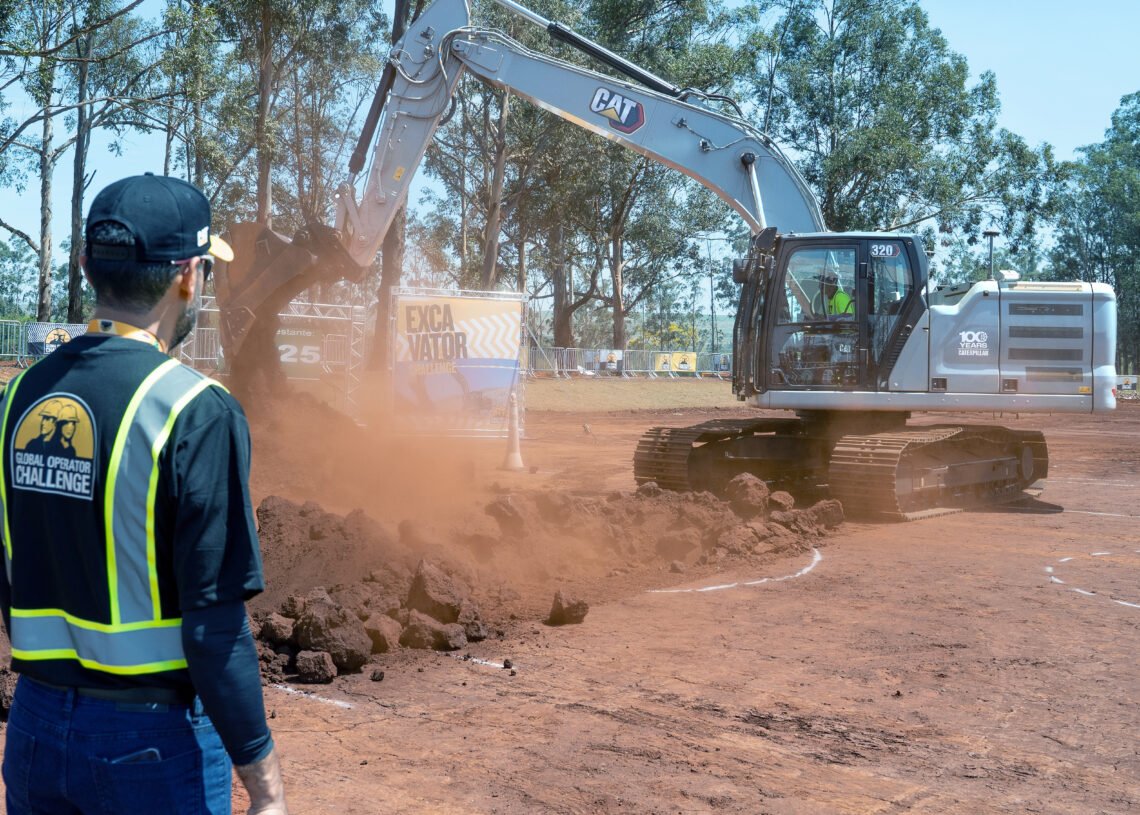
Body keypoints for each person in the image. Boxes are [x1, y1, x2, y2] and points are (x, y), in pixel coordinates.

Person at [0, 173, 288, 815]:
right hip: (151, 746)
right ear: (189, 274)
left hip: (35, 731)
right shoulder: (195, 410)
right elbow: (215, 627)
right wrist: (264, 786)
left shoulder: (15, 401)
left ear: (85, 266)